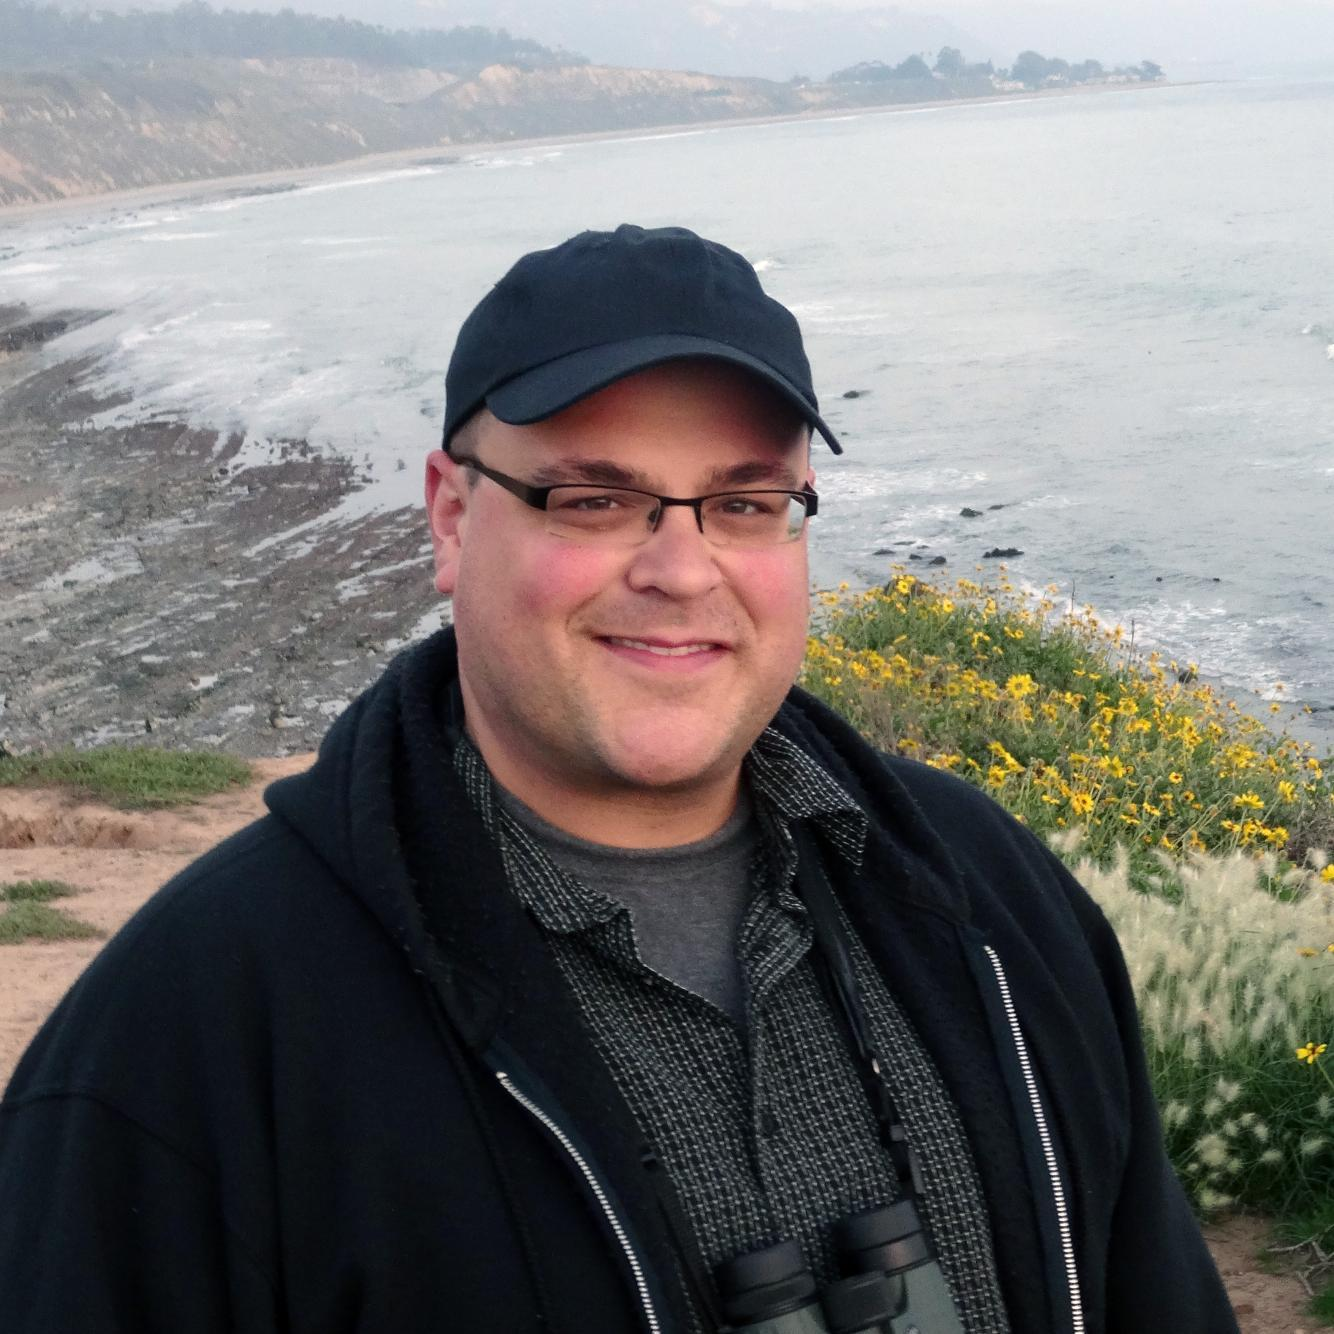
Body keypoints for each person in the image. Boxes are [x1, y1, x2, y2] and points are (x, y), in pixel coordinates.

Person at [0, 224, 1236, 1334]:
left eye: (745, 502)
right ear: (449, 517)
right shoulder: (189, 1035)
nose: (682, 570)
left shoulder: (985, 892)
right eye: (593, 497)